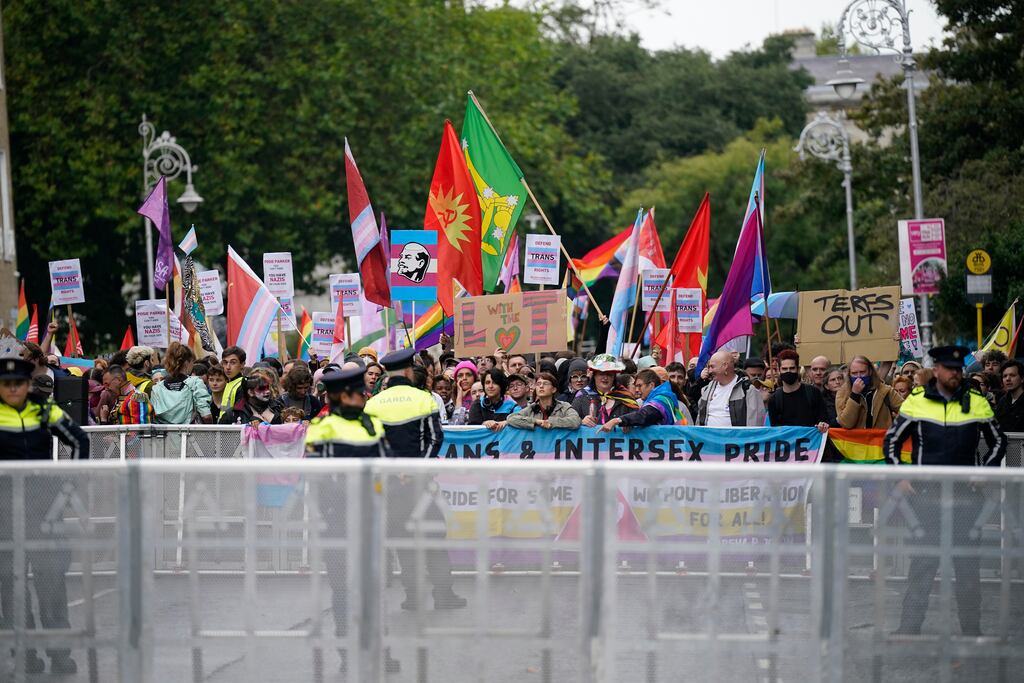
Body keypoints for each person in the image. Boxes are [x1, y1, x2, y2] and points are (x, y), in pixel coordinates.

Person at [883, 345, 1006, 637]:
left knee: (967, 569)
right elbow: (892, 443)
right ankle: (908, 629)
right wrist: (899, 475)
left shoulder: (976, 400)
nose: (955, 374)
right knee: (922, 566)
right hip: (927, 497)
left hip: (966, 498)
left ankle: (972, 633)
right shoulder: (916, 400)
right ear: (936, 370)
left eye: (958, 369)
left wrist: (985, 472)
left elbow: (999, 442)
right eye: (949, 369)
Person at [304, 366, 399, 674]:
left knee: (374, 590)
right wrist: (337, 506)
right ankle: (347, 653)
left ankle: (379, 650)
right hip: (337, 521)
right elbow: (316, 474)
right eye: (359, 393)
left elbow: (387, 464)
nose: (364, 396)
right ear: (342, 396)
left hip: (370, 520)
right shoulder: (322, 426)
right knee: (342, 591)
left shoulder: (372, 423)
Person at [0, 352, 89, 674]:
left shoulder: (42, 409)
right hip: (4, 513)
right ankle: (25, 654)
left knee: (51, 582)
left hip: (44, 510)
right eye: (6, 384)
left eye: (18, 384)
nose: (12, 390)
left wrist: (67, 488)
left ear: (27, 384)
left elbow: (78, 441)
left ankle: (59, 653)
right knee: (10, 586)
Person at [364, 349, 464, 611]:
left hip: (389, 485)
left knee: (402, 540)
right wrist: (416, 470)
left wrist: (392, 471)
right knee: (434, 538)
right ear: (409, 371)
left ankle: (413, 597)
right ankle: (443, 595)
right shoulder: (423, 399)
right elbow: (435, 439)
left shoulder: (373, 404)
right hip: (421, 485)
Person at [600, 369, 691, 431]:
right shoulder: (662, 398)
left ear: (651, 385)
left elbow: (644, 415)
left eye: (640, 386)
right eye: (635, 386)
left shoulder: (661, 400)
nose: (636, 390)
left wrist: (617, 420)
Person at [696, 351, 766, 427]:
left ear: (725, 366)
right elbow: (699, 420)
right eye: (709, 367)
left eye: (712, 367)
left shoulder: (748, 390)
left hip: (737, 438)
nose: (709, 371)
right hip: (708, 438)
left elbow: (755, 425)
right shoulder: (707, 390)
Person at [149, 342, 214, 425]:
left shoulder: (157, 388)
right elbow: (206, 416)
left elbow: (153, 417)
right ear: (187, 363)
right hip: (189, 435)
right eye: (192, 362)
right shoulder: (195, 383)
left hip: (165, 436)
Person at [766, 350, 829, 432]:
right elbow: (776, 431)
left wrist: (823, 425)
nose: (788, 371)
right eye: (784, 369)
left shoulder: (813, 393)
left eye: (792, 368)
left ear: (798, 369)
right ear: (778, 370)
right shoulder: (774, 400)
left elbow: (824, 420)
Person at [835, 355, 903, 430]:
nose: (859, 376)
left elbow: (908, 411)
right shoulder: (842, 393)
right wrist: (854, 395)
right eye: (854, 373)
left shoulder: (885, 390)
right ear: (849, 374)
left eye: (862, 372)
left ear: (870, 371)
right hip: (856, 441)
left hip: (880, 440)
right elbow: (846, 423)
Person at [571, 355, 639, 426]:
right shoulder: (582, 396)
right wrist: (581, 422)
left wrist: (628, 423)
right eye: (601, 374)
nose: (605, 377)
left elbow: (638, 418)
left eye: (609, 374)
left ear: (614, 377)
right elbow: (571, 420)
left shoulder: (626, 396)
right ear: (594, 376)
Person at [506, 372, 582, 430]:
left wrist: (551, 422)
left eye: (545, 383)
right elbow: (511, 418)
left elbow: (575, 420)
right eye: (538, 384)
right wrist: (537, 421)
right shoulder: (532, 407)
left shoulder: (564, 406)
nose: (541, 386)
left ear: (554, 389)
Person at [996, 359, 1024, 432]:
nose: (1008, 379)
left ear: (1022, 378)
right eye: (1005, 376)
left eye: (1012, 375)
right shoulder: (1002, 401)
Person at [448, 360, 478, 426]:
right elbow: (457, 423)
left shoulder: (481, 394)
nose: (464, 378)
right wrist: (459, 398)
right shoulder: (450, 397)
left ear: (475, 377)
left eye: (468, 375)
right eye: (460, 375)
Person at [220, 346, 247, 412]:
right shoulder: (229, 383)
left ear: (242, 364)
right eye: (225, 362)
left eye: (233, 362)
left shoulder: (243, 385)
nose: (228, 367)